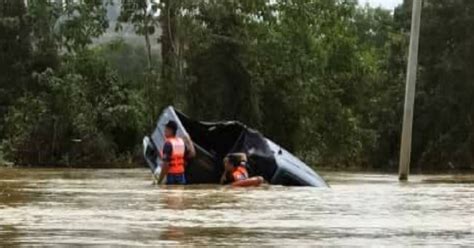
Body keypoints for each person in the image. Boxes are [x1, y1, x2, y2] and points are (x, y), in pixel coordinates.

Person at [157, 120, 196, 185]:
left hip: (171, 176)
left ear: (171, 131)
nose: (165, 130)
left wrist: (159, 181)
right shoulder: (181, 142)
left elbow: (166, 165)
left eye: (166, 128)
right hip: (181, 175)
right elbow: (192, 154)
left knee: (170, 194)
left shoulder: (168, 144)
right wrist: (189, 140)